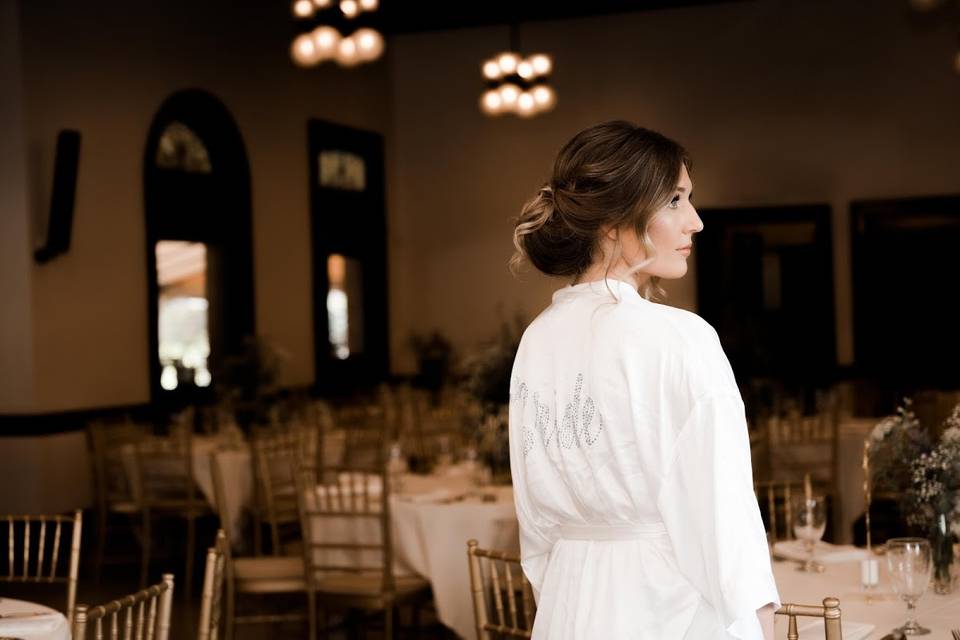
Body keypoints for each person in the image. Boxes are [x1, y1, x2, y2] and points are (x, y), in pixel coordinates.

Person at [508, 121, 780, 639]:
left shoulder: (536, 340)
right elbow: (724, 521)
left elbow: (535, 528)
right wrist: (760, 627)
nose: (696, 222)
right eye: (675, 200)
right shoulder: (681, 337)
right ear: (613, 223)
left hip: (568, 608)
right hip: (668, 609)